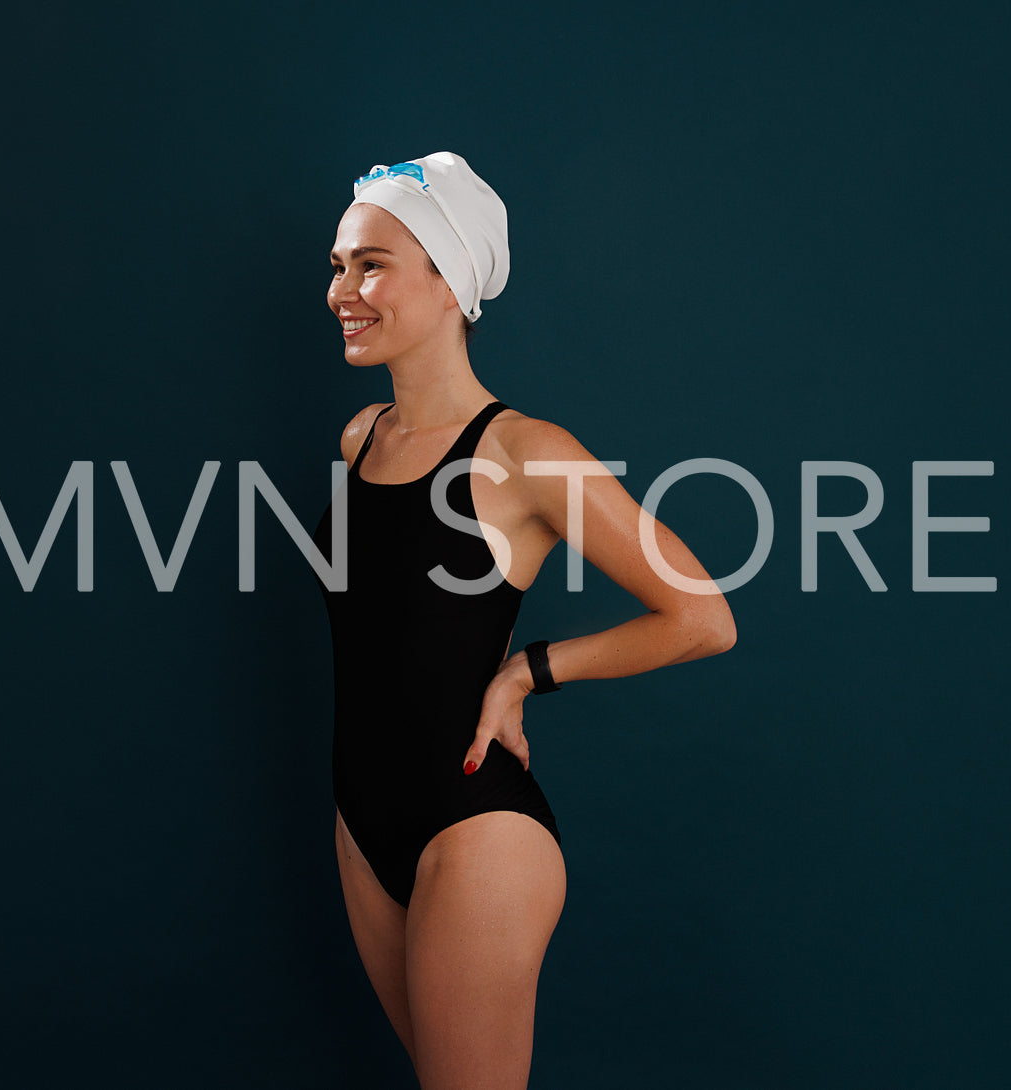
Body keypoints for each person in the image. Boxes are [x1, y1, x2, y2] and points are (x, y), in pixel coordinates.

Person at [311, 152, 737, 1090]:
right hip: (360, 817)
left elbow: (702, 617)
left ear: (449, 280)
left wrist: (526, 672)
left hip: (476, 831)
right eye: (338, 265)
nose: (343, 289)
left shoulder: (524, 455)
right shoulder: (359, 438)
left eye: (370, 264)